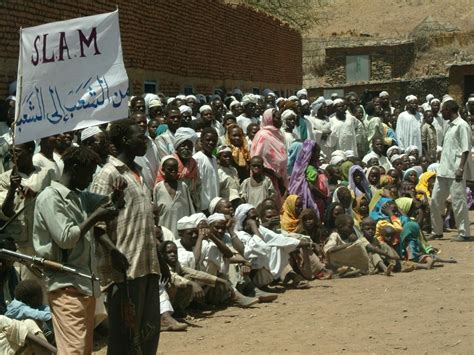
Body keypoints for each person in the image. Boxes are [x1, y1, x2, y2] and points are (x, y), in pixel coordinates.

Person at [33, 146, 124, 354]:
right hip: (65, 285)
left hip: (84, 285)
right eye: (88, 174)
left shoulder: (79, 196)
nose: (90, 180)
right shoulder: (50, 197)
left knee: (82, 350)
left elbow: (110, 207)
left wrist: (117, 195)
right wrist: (94, 218)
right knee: (74, 350)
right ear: (75, 169)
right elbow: (66, 238)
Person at [90, 119, 161, 354]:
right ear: (124, 140)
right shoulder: (108, 174)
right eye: (140, 136)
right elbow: (97, 223)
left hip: (147, 264)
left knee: (148, 332)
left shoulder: (139, 172)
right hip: (123, 269)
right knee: (123, 336)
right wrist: (113, 251)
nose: (145, 140)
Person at [430, 99, 472, 242]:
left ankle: (464, 232)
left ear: (449, 110)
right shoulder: (448, 125)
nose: (441, 112)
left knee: (458, 202)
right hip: (443, 169)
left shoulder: (462, 125)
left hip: (455, 171)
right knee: (435, 200)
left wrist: (461, 168)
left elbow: (465, 149)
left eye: (443, 110)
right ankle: (437, 231)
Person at [250, 108, 288, 204]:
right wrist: (276, 176)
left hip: (281, 178)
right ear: (269, 119)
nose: (279, 119)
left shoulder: (279, 134)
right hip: (268, 180)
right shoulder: (262, 136)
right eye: (276, 117)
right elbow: (256, 161)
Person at [154, 156, 195, 237]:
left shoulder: (183, 186)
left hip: (182, 233)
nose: (173, 172)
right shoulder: (158, 188)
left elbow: (191, 210)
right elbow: (155, 211)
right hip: (165, 232)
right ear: (163, 170)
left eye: (175, 169)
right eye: (170, 169)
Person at [289, 140, 329, 217]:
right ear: (311, 153)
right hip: (310, 201)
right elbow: (311, 187)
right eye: (318, 152)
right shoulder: (310, 169)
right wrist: (324, 197)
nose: (319, 155)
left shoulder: (299, 168)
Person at [131, 111, 160, 193]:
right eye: (139, 122)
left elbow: (158, 167)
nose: (142, 124)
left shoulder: (152, 143)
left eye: (144, 122)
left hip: (154, 190)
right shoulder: (129, 146)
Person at [193, 127, 220, 213]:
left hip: (214, 205)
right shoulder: (197, 159)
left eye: (214, 141)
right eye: (208, 140)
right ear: (201, 141)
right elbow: (197, 186)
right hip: (203, 207)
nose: (211, 143)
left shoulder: (214, 159)